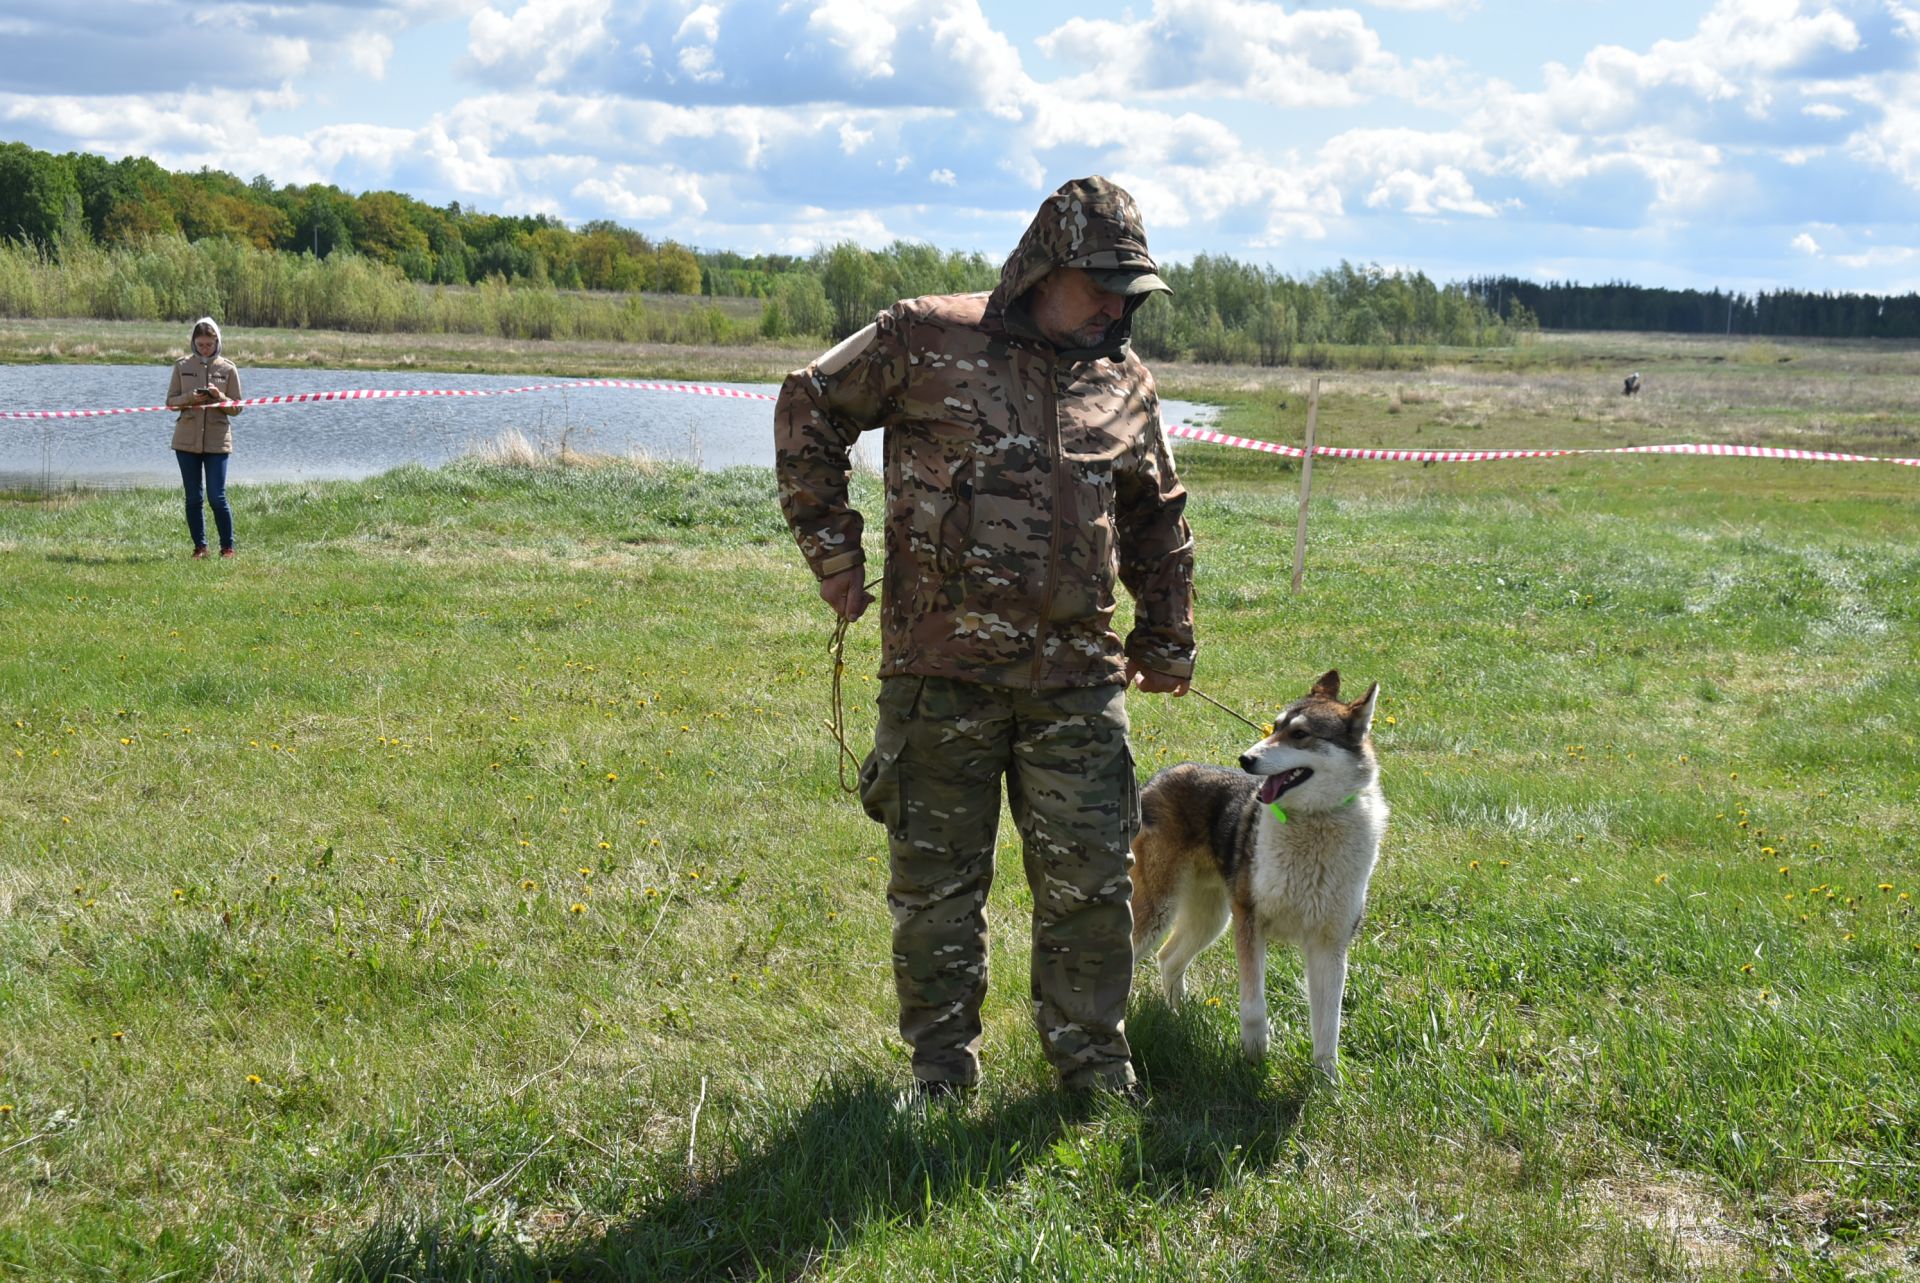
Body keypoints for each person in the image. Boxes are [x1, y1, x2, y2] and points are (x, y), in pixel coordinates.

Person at [774, 176, 1196, 1099]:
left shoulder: (1122, 375)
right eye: (1102, 285)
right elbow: (811, 402)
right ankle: (940, 1077)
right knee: (937, 893)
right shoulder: (925, 336)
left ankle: (1092, 1069)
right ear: (1048, 267)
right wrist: (831, 549)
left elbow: (1155, 512)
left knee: (1091, 887)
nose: (1117, 307)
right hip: (940, 672)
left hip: (1078, 680)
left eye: (1132, 292)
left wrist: (1167, 635)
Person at [166, 316, 244, 558]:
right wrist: (190, 397)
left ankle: (227, 548)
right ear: (193, 342)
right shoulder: (181, 366)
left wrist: (219, 397)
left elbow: (237, 408)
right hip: (186, 441)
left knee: (217, 496)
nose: (204, 349)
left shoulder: (229, 368)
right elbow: (170, 403)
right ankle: (200, 548)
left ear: (218, 342)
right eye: (200, 344)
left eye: (209, 344)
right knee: (193, 497)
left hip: (217, 442)